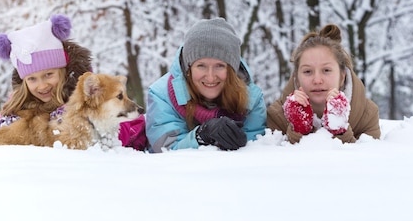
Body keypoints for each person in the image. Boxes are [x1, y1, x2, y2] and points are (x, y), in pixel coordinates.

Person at [145, 18, 266, 152]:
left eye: (219, 66)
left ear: (232, 69)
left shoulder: (251, 99)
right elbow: (166, 149)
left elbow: (255, 148)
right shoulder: (162, 95)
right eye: (201, 66)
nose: (210, 77)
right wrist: (201, 135)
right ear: (188, 67)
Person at [266, 24, 381, 144]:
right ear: (297, 78)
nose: (317, 80)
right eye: (307, 71)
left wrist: (339, 130)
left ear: (342, 76)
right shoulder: (277, 116)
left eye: (326, 70)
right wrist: (298, 129)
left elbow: (367, 160)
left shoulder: (367, 114)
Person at [0, 14, 92, 130]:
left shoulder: (89, 99)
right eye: (32, 79)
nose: (42, 86)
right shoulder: (16, 109)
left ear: (63, 71)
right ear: (24, 81)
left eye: (48, 74)